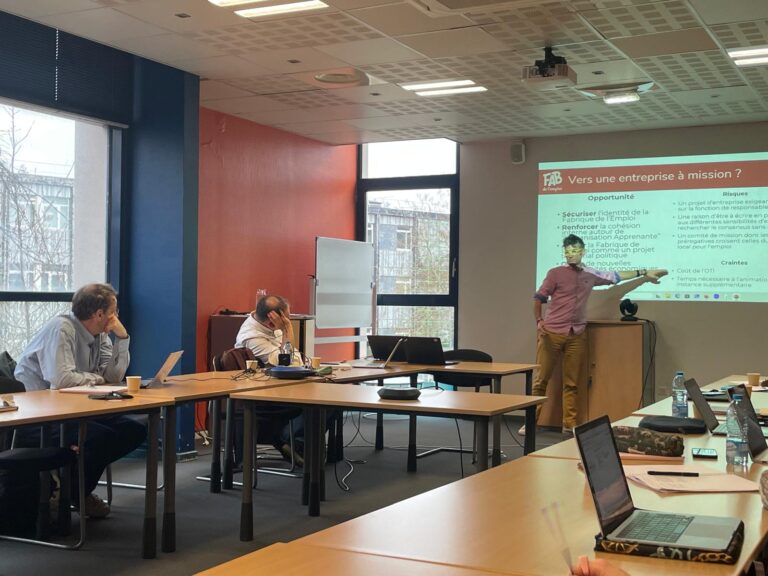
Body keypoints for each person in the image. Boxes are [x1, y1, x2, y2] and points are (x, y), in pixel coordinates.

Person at [14, 283, 147, 518]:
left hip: (76, 409)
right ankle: (74, 493)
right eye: (114, 311)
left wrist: (122, 338)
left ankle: (74, 490)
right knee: (99, 438)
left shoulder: (100, 335)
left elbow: (114, 377)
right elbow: (62, 379)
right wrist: (97, 378)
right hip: (38, 417)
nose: (116, 317)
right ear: (99, 314)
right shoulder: (62, 328)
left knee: (133, 430)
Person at [529, 234, 668, 436]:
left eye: (574, 251)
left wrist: (645, 272)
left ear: (583, 251)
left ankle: (569, 424)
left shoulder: (590, 274)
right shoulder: (555, 273)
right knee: (541, 381)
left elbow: (615, 276)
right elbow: (539, 298)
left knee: (572, 383)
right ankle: (530, 423)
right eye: (567, 251)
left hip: (576, 334)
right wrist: (539, 321)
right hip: (552, 333)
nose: (570, 255)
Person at [235, 294, 305, 463]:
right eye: (286, 319)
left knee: (331, 405)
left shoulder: (273, 327)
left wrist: (284, 330)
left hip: (279, 388)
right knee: (319, 405)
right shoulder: (252, 337)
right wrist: (288, 329)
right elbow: (287, 363)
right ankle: (288, 441)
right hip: (262, 396)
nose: (287, 321)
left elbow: (297, 362)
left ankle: (292, 442)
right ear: (272, 319)